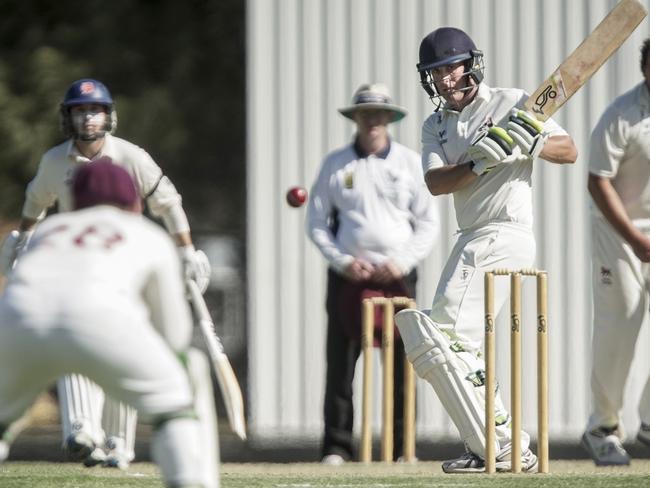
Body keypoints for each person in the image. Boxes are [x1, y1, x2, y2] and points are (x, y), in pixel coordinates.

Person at [393, 27, 578, 473]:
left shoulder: (513, 102)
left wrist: (530, 141)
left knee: (447, 333)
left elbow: (568, 150)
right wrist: (478, 162)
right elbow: (436, 183)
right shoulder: (435, 125)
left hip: (506, 231)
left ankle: (502, 444)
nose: (443, 79)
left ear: (470, 65)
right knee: (454, 344)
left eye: (450, 68)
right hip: (471, 233)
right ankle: (498, 443)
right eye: (435, 73)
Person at [0, 78, 211, 469]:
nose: (89, 118)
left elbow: (168, 202)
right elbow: (173, 335)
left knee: (62, 344)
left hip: (24, 318)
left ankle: (102, 437)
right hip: (109, 297)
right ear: (130, 200)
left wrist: (22, 242)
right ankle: (101, 434)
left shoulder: (53, 230)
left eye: (94, 109)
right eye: (80, 110)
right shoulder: (143, 235)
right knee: (147, 368)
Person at [306, 83, 440, 464]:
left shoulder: (410, 163)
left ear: (389, 118)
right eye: (365, 114)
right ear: (356, 118)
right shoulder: (336, 164)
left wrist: (401, 262)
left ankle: (401, 450)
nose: (372, 121)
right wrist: (344, 261)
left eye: (378, 114)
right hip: (348, 275)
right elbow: (316, 223)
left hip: (397, 277)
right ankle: (337, 447)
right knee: (341, 364)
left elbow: (427, 223)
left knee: (400, 363)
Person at [581, 38, 650, 466]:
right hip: (617, 232)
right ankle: (602, 427)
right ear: (646, 68)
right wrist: (636, 239)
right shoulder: (621, 115)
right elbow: (597, 180)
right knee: (620, 324)